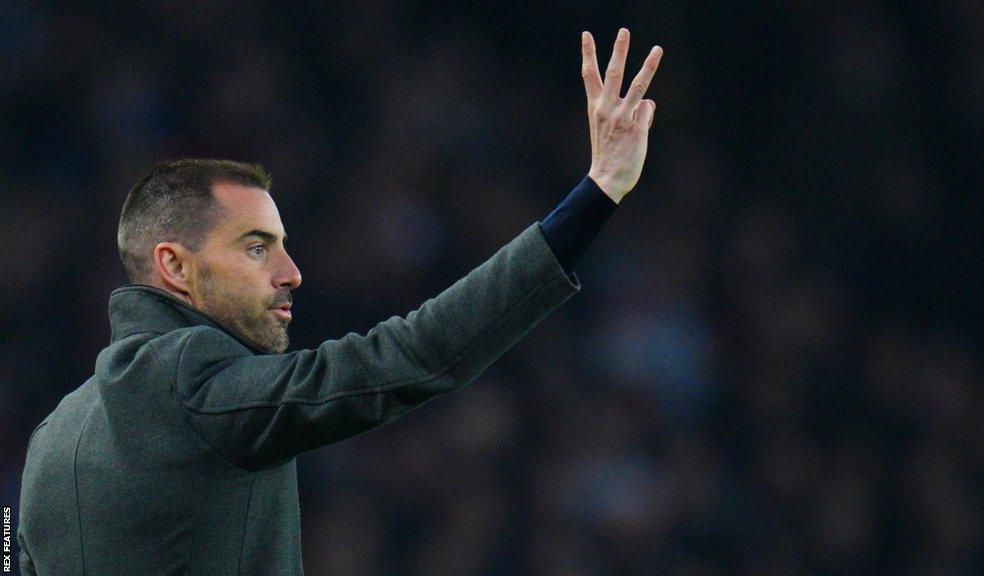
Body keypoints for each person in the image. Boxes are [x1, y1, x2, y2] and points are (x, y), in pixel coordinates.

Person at [17, 28, 662, 575]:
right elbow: (411, 356)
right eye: (256, 248)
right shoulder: (198, 384)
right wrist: (596, 195)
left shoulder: (49, 439)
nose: (292, 273)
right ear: (175, 267)